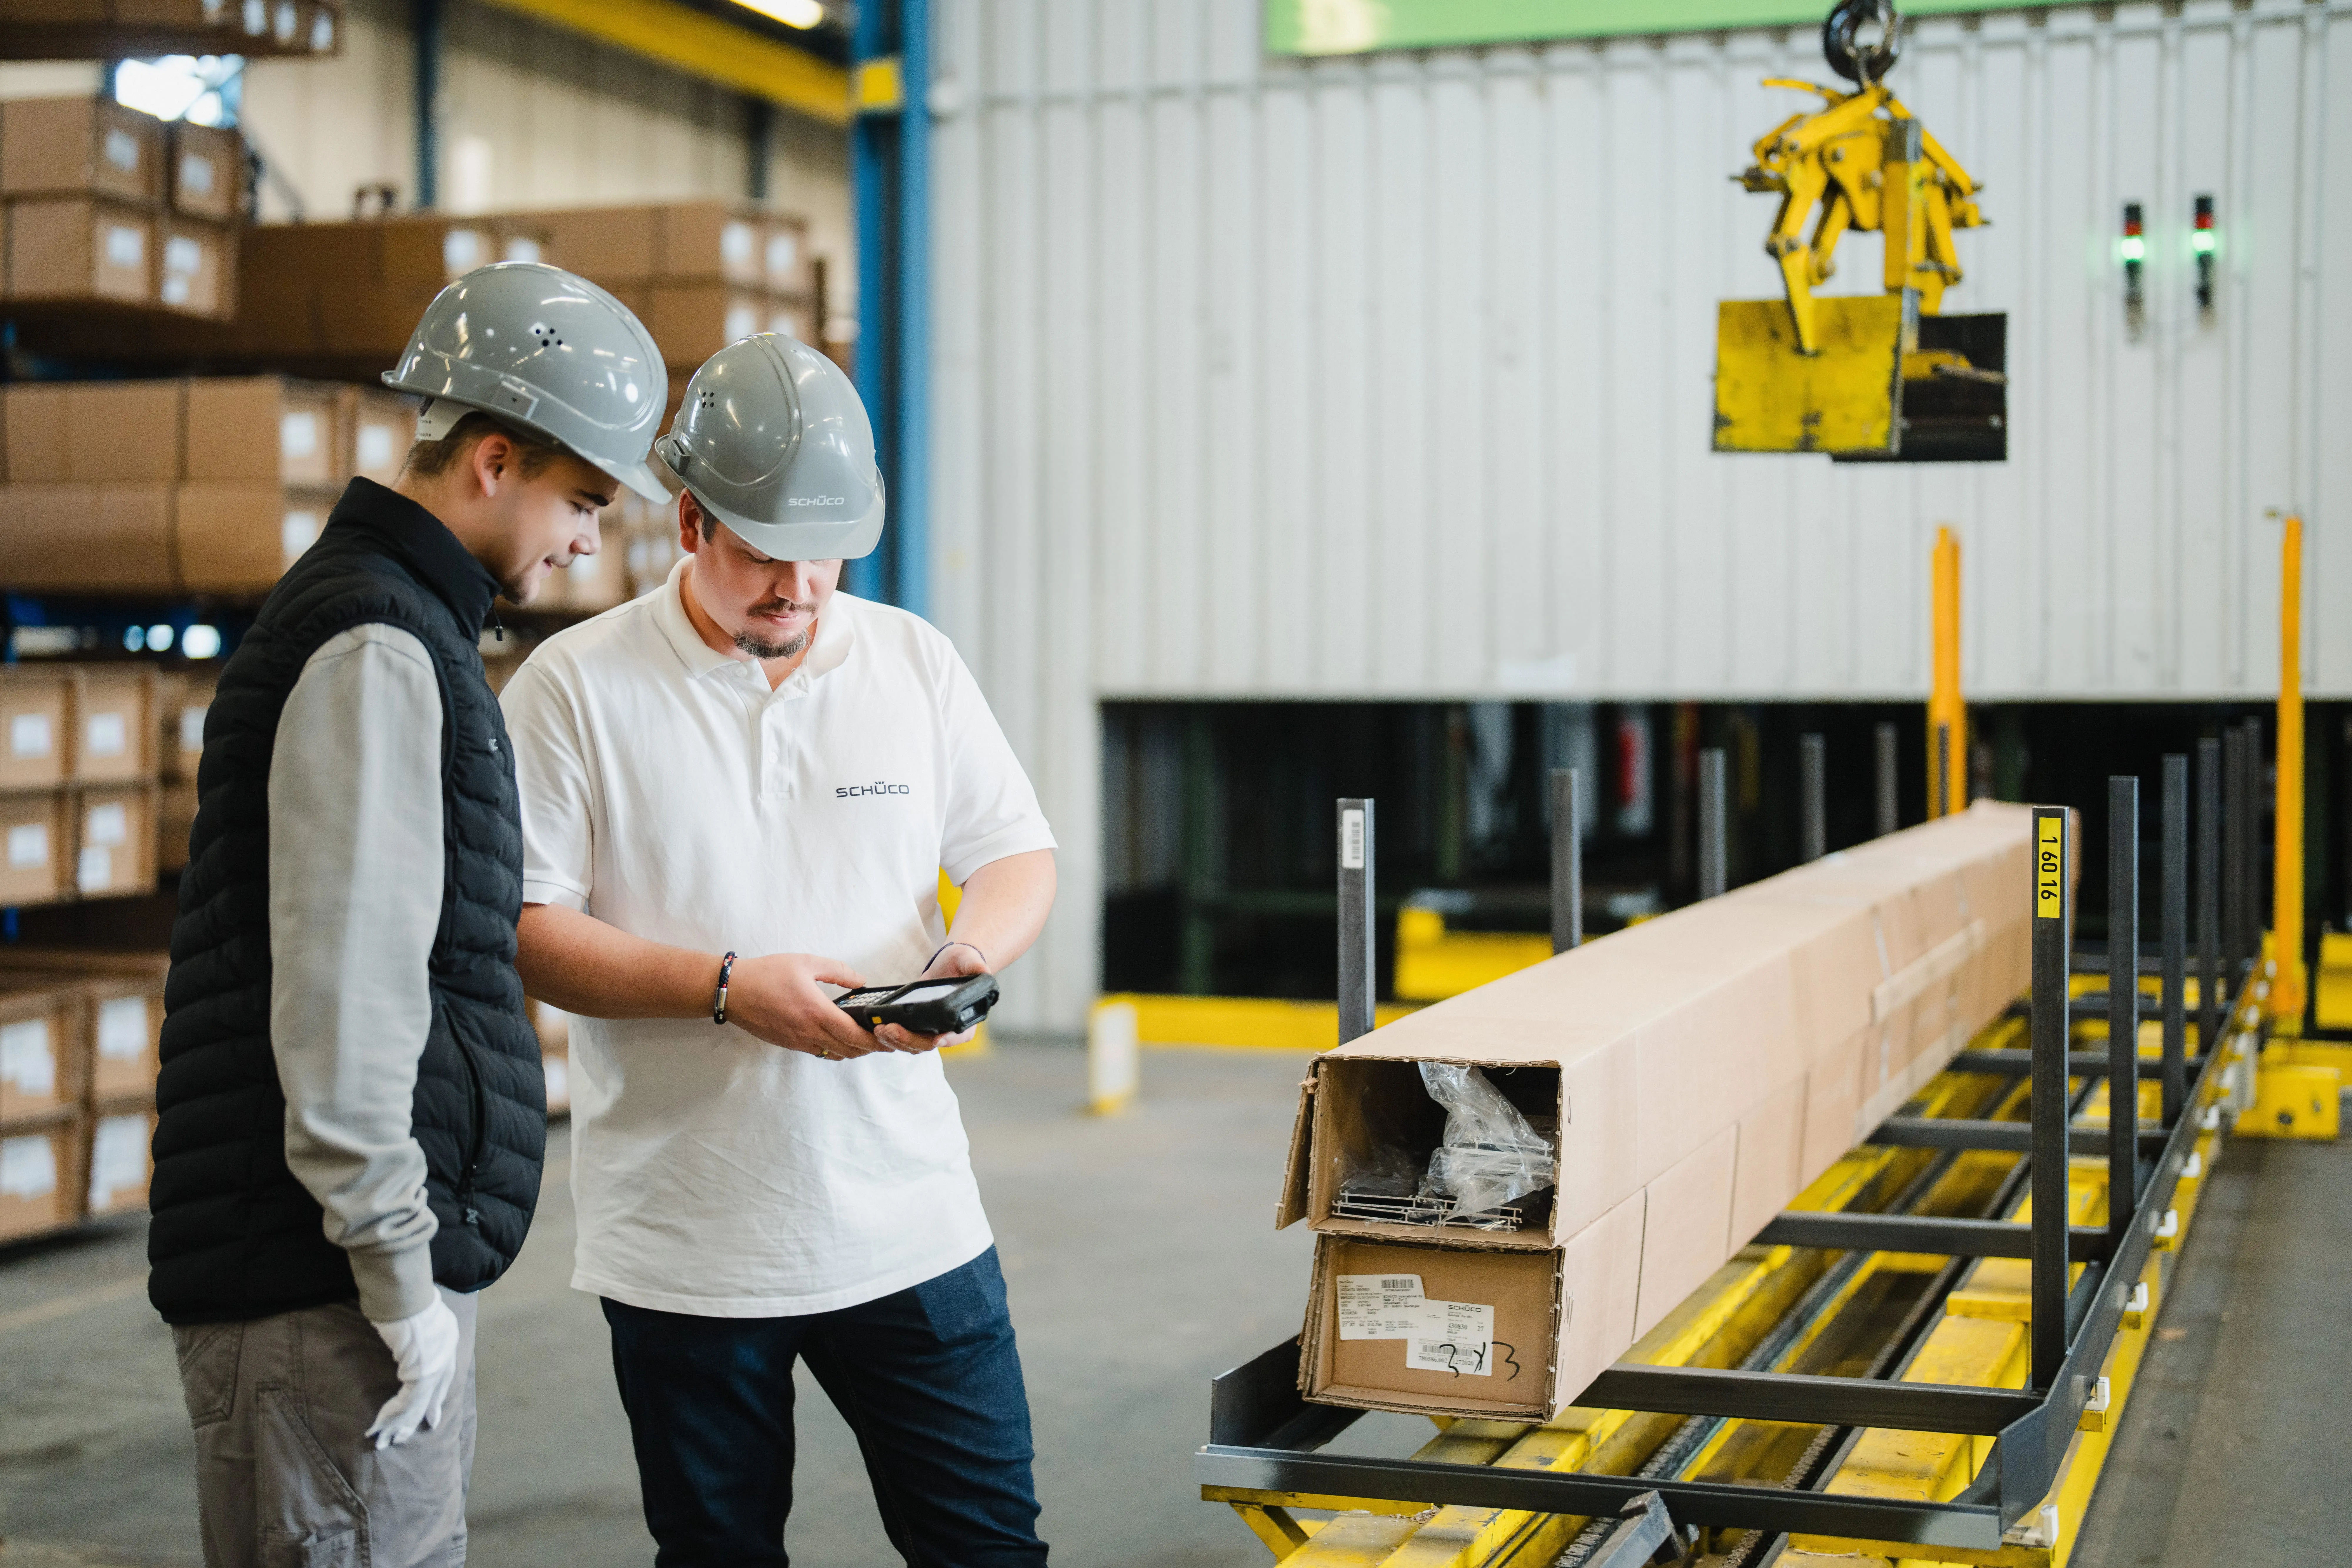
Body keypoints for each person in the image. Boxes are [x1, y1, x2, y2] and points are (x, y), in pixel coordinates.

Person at [502, 332, 1058, 1567]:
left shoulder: (913, 662)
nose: (798, 587)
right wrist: (722, 989)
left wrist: (968, 948)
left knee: (987, 1548)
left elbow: (1019, 850)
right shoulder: (571, 690)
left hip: (909, 1222)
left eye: (824, 554)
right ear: (690, 522)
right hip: (687, 1243)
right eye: (763, 553)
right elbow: (525, 929)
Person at [149, 262, 671, 1567]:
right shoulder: (378, 644)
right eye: (583, 502)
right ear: (493, 460)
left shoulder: (402, 624)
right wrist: (395, 1273)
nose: (588, 544)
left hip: (335, 1275)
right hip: (326, 1291)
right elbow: (345, 995)